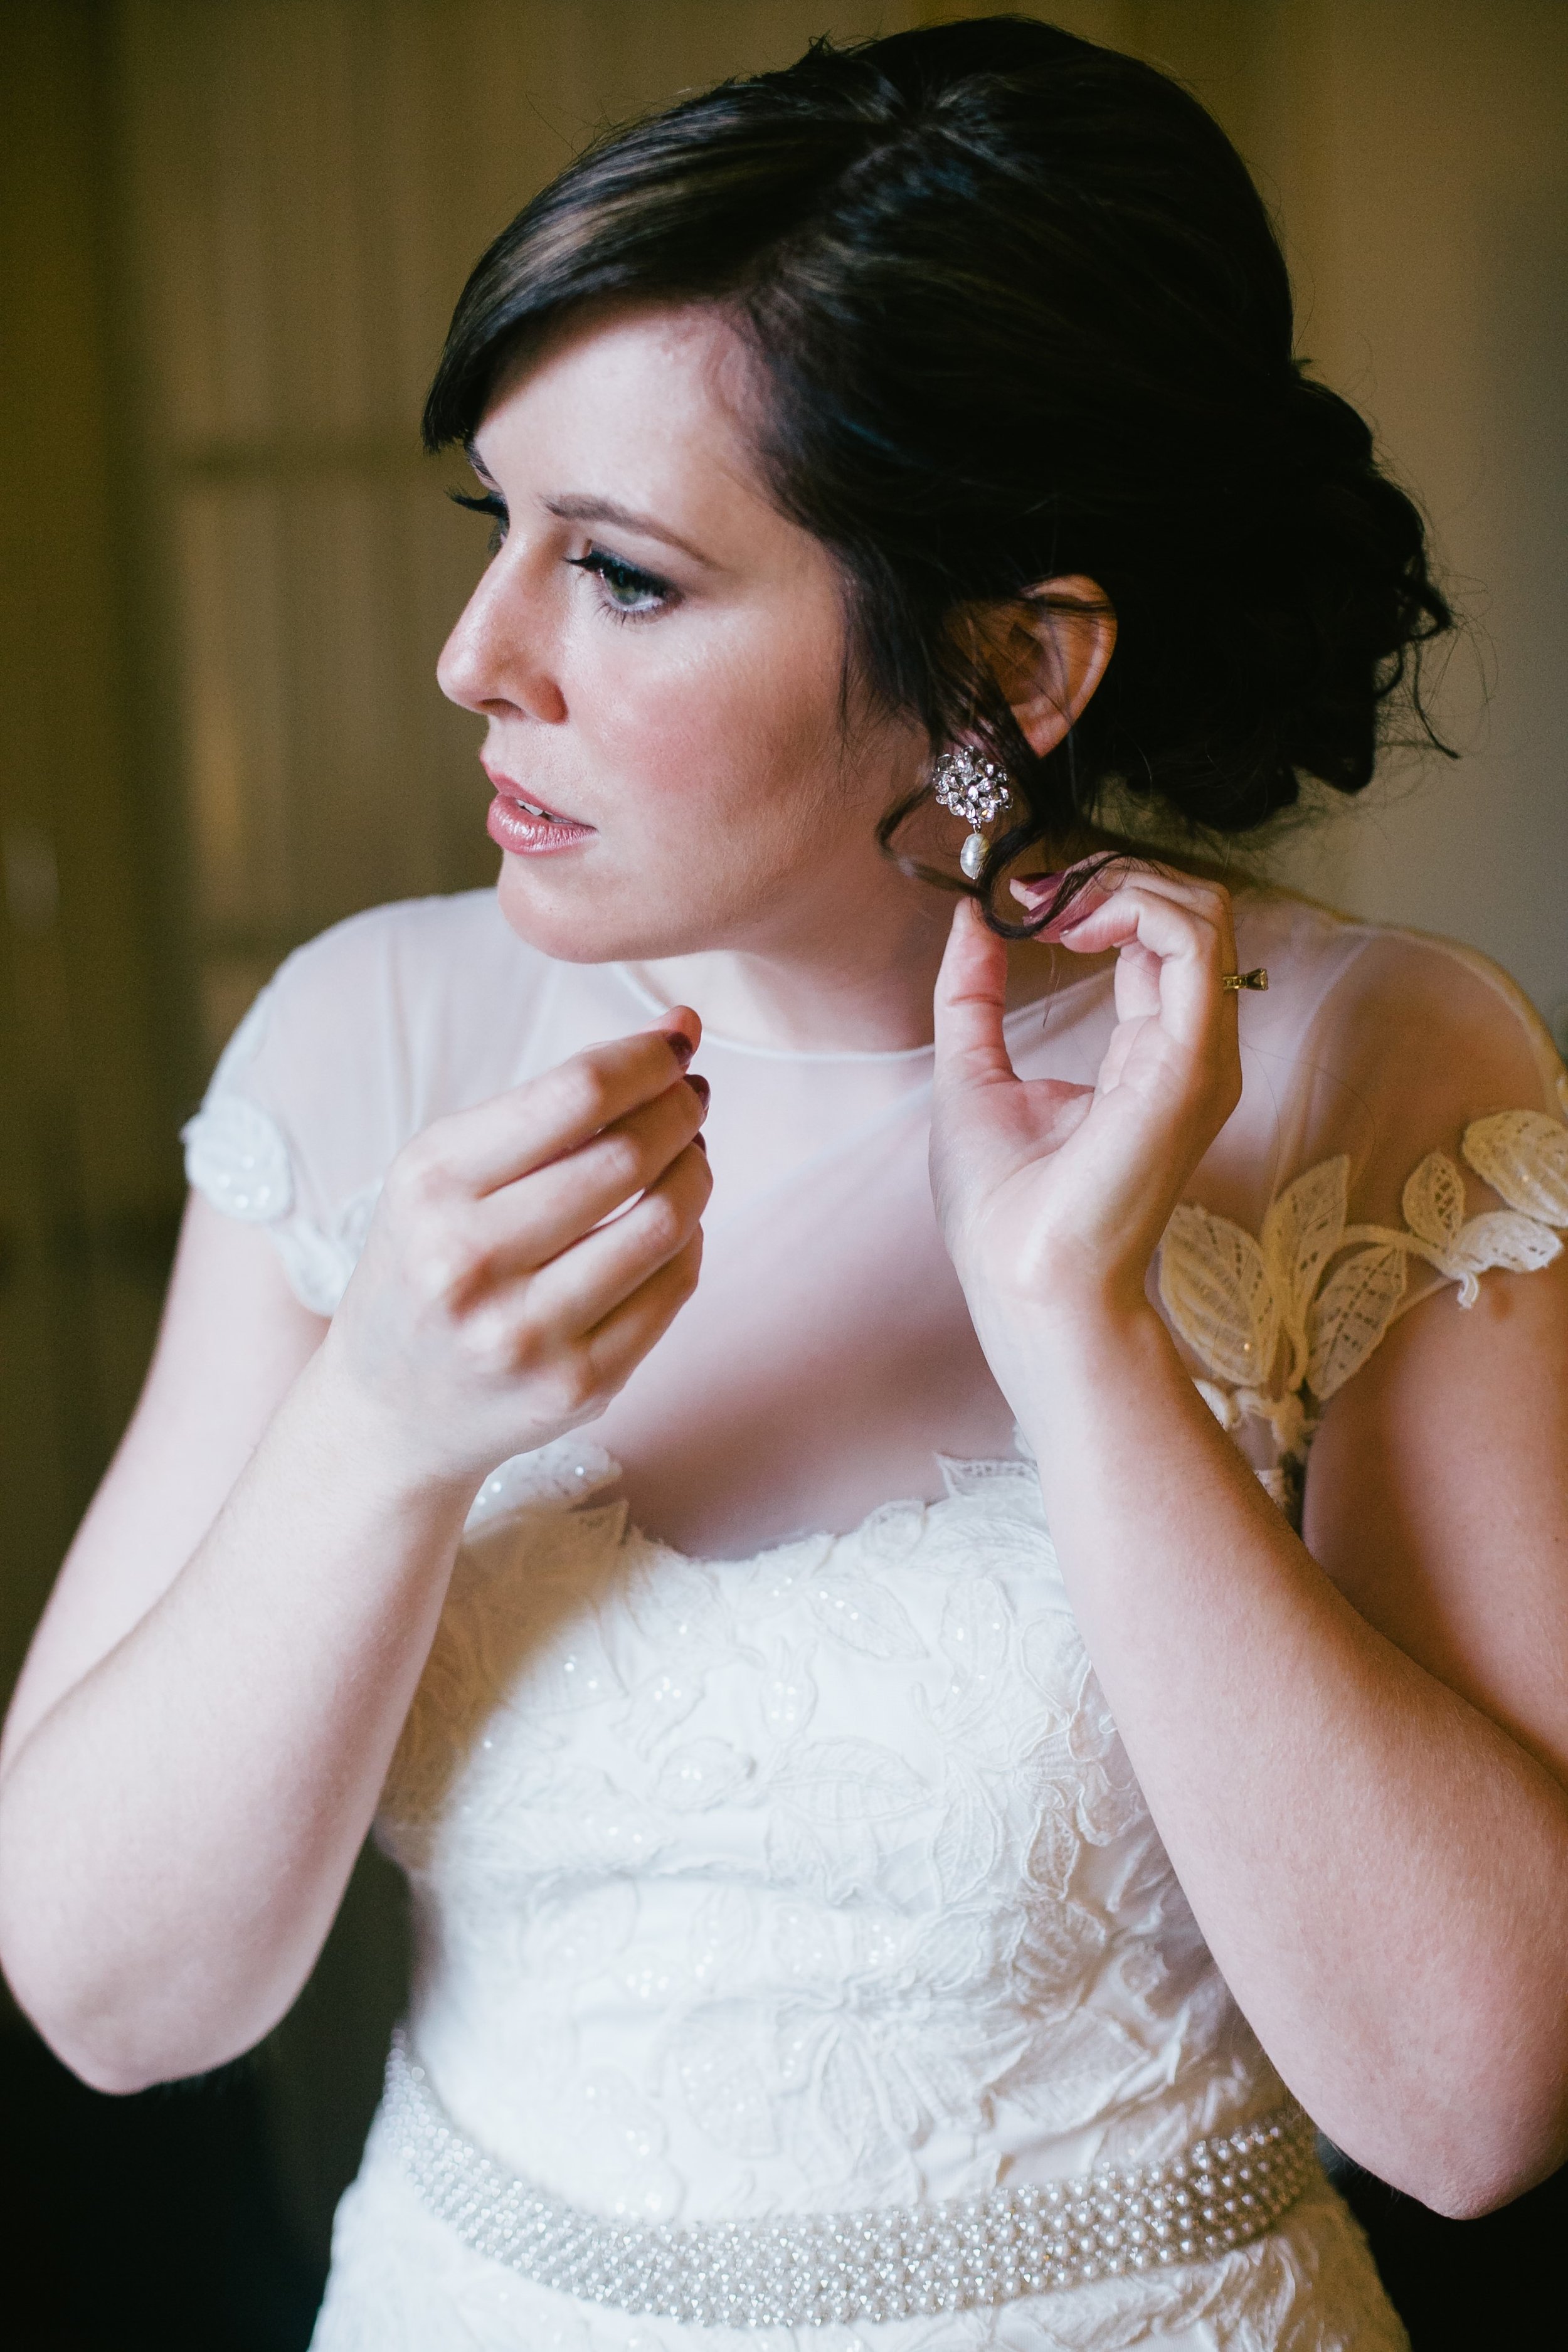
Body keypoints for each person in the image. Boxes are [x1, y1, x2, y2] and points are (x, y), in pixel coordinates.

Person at [3, 17, 1567, 2348]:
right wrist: (378, 1428)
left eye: (619, 576)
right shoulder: (369, 1045)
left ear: (1008, 665)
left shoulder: (1362, 1072)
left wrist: (1082, 1342)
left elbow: (1471, 2104)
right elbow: (118, 2006)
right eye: (494, 532)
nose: (474, 658)